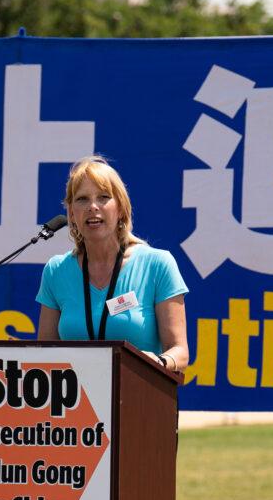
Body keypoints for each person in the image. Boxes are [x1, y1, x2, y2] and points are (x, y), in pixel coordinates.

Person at [37, 155, 188, 371]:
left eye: (104, 197)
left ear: (121, 209)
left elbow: (180, 353)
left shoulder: (158, 264)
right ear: (71, 212)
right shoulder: (56, 271)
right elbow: (43, 355)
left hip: (137, 395)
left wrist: (158, 362)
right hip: (74, 400)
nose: (92, 207)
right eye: (82, 199)